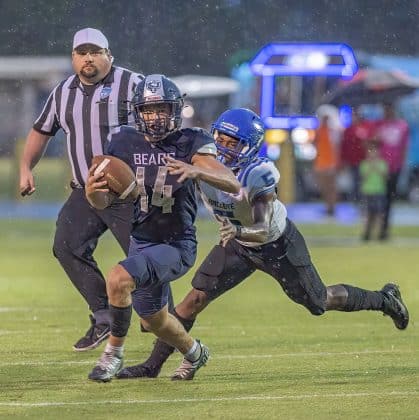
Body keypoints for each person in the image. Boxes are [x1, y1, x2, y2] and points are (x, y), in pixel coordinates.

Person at [114, 108, 410, 380]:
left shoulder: (258, 172)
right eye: (220, 139)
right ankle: (152, 366)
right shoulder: (202, 163)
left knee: (319, 301)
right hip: (238, 243)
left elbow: (261, 227)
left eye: (233, 142)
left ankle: (384, 299)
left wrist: (236, 231)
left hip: (275, 243)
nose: (223, 147)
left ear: (249, 146)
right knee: (194, 300)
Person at [85, 74, 240, 382]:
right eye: (148, 110)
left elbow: (232, 182)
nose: (155, 118)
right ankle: (196, 353)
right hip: (140, 240)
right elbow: (102, 202)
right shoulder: (122, 141)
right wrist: (93, 191)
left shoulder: (191, 141)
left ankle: (112, 354)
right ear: (137, 112)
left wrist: (196, 169)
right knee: (154, 320)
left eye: (161, 110)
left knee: (118, 278)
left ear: (175, 111)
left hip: (176, 244)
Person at [19, 28, 149, 352]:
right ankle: (105, 316)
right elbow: (41, 130)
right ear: (73, 57)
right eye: (81, 52)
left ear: (109, 55)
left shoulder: (132, 85)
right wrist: (25, 167)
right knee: (66, 245)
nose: (88, 58)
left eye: (96, 51)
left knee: (146, 256)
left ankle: (159, 319)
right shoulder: (63, 92)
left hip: (126, 194)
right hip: (84, 191)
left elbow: (158, 128)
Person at [374, 102, 409, 240]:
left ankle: (384, 228)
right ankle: (375, 226)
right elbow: (372, 144)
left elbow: (404, 147)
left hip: (394, 166)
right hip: (380, 167)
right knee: (377, 197)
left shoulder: (402, 126)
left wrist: (401, 163)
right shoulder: (379, 125)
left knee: (388, 198)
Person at [340, 108, 375, 202]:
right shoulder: (348, 130)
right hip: (353, 160)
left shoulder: (367, 127)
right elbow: (344, 146)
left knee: (365, 180)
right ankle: (357, 199)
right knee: (356, 181)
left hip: (365, 159)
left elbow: (371, 142)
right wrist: (343, 159)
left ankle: (364, 199)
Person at [359, 139, 389, 241]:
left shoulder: (382, 163)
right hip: (367, 191)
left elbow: (385, 177)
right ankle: (366, 233)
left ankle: (379, 234)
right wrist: (371, 166)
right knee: (367, 214)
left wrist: (376, 167)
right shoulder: (364, 164)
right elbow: (363, 177)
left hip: (379, 191)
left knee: (379, 214)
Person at [313, 115, 338, 216]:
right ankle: (329, 206)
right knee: (325, 187)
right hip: (322, 163)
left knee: (330, 187)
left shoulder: (331, 132)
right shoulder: (319, 131)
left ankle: (331, 207)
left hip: (329, 163)